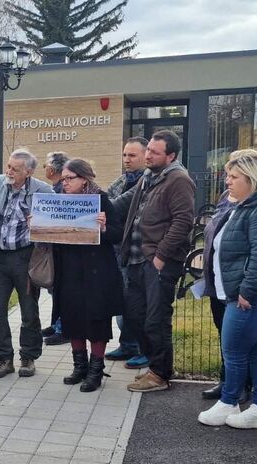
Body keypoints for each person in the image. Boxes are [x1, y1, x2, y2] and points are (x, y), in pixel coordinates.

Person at [198, 149, 257, 429]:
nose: (227, 181)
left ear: (252, 179)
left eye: (233, 176)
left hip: (251, 297)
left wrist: (247, 292)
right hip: (244, 294)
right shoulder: (244, 207)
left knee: (235, 350)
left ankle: (229, 402)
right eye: (227, 175)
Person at [116, 129, 195, 393]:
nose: (148, 155)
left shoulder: (178, 180)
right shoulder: (148, 178)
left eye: (154, 152)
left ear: (170, 155)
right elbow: (121, 204)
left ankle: (160, 374)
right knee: (135, 316)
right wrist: (90, 202)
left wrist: (161, 257)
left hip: (158, 262)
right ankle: (153, 367)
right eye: (148, 149)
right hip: (136, 260)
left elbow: (183, 221)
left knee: (156, 319)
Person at [54, 159, 125, 392]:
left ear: (84, 178)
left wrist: (103, 228)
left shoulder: (100, 199)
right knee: (72, 317)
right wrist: (38, 224)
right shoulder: (59, 202)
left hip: (96, 272)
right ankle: (79, 366)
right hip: (69, 270)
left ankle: (95, 371)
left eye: (69, 178)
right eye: (62, 178)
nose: (64, 183)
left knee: (96, 319)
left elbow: (117, 234)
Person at [0, 148, 52, 378]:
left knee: (29, 310)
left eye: (15, 168)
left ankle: (28, 357)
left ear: (29, 172)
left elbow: (59, 217)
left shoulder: (42, 190)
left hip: (26, 257)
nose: (8, 171)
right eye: (8, 166)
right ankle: (4, 358)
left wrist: (41, 222)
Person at [199, 189, 251, 404]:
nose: (228, 179)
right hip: (217, 280)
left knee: (239, 338)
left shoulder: (256, 205)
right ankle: (226, 380)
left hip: (237, 285)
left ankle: (242, 385)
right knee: (224, 334)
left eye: (233, 175)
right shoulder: (225, 198)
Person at [107, 137, 149, 367]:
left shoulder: (148, 183)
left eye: (132, 155)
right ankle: (128, 345)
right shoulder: (121, 181)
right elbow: (107, 203)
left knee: (135, 304)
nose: (127, 160)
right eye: (124, 155)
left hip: (138, 252)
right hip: (117, 250)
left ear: (146, 155)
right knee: (122, 300)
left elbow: (112, 207)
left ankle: (144, 348)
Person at [41, 151, 69, 346]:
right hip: (55, 248)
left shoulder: (61, 191)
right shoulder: (55, 188)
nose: (44, 169)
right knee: (55, 289)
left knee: (62, 289)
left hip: (63, 249)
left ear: (52, 169)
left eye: (45, 166)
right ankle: (56, 322)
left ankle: (63, 328)